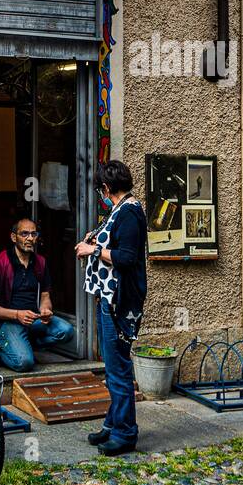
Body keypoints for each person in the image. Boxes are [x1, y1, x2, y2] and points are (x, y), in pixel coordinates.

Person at [75, 159, 147, 456]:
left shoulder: (129, 213)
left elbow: (127, 256)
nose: (99, 195)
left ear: (106, 188)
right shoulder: (118, 211)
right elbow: (111, 240)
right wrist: (95, 238)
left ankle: (126, 433)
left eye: (100, 190)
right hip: (109, 297)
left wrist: (93, 249)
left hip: (120, 302)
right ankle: (112, 424)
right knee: (113, 365)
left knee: (118, 367)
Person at [0, 216, 75, 371]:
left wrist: (45, 309)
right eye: (24, 234)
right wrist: (17, 314)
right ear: (14, 237)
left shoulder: (40, 262)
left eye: (33, 234)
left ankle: (23, 346)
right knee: (24, 363)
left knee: (66, 331)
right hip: (7, 322)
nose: (30, 238)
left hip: (33, 319)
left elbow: (45, 295)